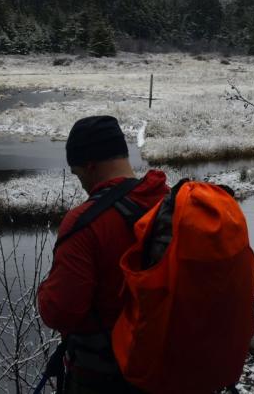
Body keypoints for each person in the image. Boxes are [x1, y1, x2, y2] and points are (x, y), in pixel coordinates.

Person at [38, 115, 167, 393]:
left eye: (77, 173)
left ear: (90, 165)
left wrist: (45, 290)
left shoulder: (84, 223)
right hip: (169, 371)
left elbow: (61, 311)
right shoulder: (166, 204)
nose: (81, 183)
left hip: (107, 377)